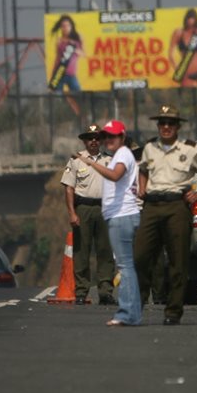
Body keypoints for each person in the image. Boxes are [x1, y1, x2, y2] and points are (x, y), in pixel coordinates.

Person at [134, 104, 197, 325]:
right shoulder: (150, 149)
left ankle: (173, 311)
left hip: (176, 206)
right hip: (152, 205)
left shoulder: (189, 150)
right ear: (158, 126)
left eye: (171, 123)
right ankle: (137, 304)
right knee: (140, 256)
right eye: (162, 123)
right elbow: (143, 170)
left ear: (178, 127)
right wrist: (142, 187)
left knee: (178, 261)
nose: (166, 127)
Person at [73, 119, 141, 326]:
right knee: (125, 265)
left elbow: (115, 175)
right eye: (106, 136)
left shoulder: (120, 155)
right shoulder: (118, 156)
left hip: (122, 215)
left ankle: (126, 313)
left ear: (122, 137)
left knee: (124, 266)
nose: (107, 140)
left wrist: (90, 163)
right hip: (109, 213)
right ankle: (131, 313)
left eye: (113, 136)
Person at [60, 124, 116, 305]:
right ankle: (82, 291)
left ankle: (106, 291)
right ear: (85, 141)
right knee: (81, 251)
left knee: (105, 251)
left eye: (97, 138)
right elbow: (69, 188)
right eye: (90, 138)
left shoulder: (109, 160)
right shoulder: (76, 161)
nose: (94, 141)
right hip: (83, 208)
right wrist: (72, 213)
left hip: (105, 208)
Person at [169, 8, 197, 87]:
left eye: (193, 18)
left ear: (196, 20)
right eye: (189, 18)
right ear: (186, 19)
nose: (190, 21)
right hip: (186, 73)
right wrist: (177, 69)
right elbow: (170, 53)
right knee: (186, 96)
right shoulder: (179, 33)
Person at [48, 14, 84, 92]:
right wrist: (53, 77)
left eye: (68, 25)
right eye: (63, 26)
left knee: (79, 96)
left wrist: (74, 50)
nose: (66, 28)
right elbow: (57, 59)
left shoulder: (77, 39)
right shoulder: (59, 41)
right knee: (57, 98)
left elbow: (83, 53)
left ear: (71, 26)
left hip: (71, 74)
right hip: (59, 73)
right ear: (61, 28)